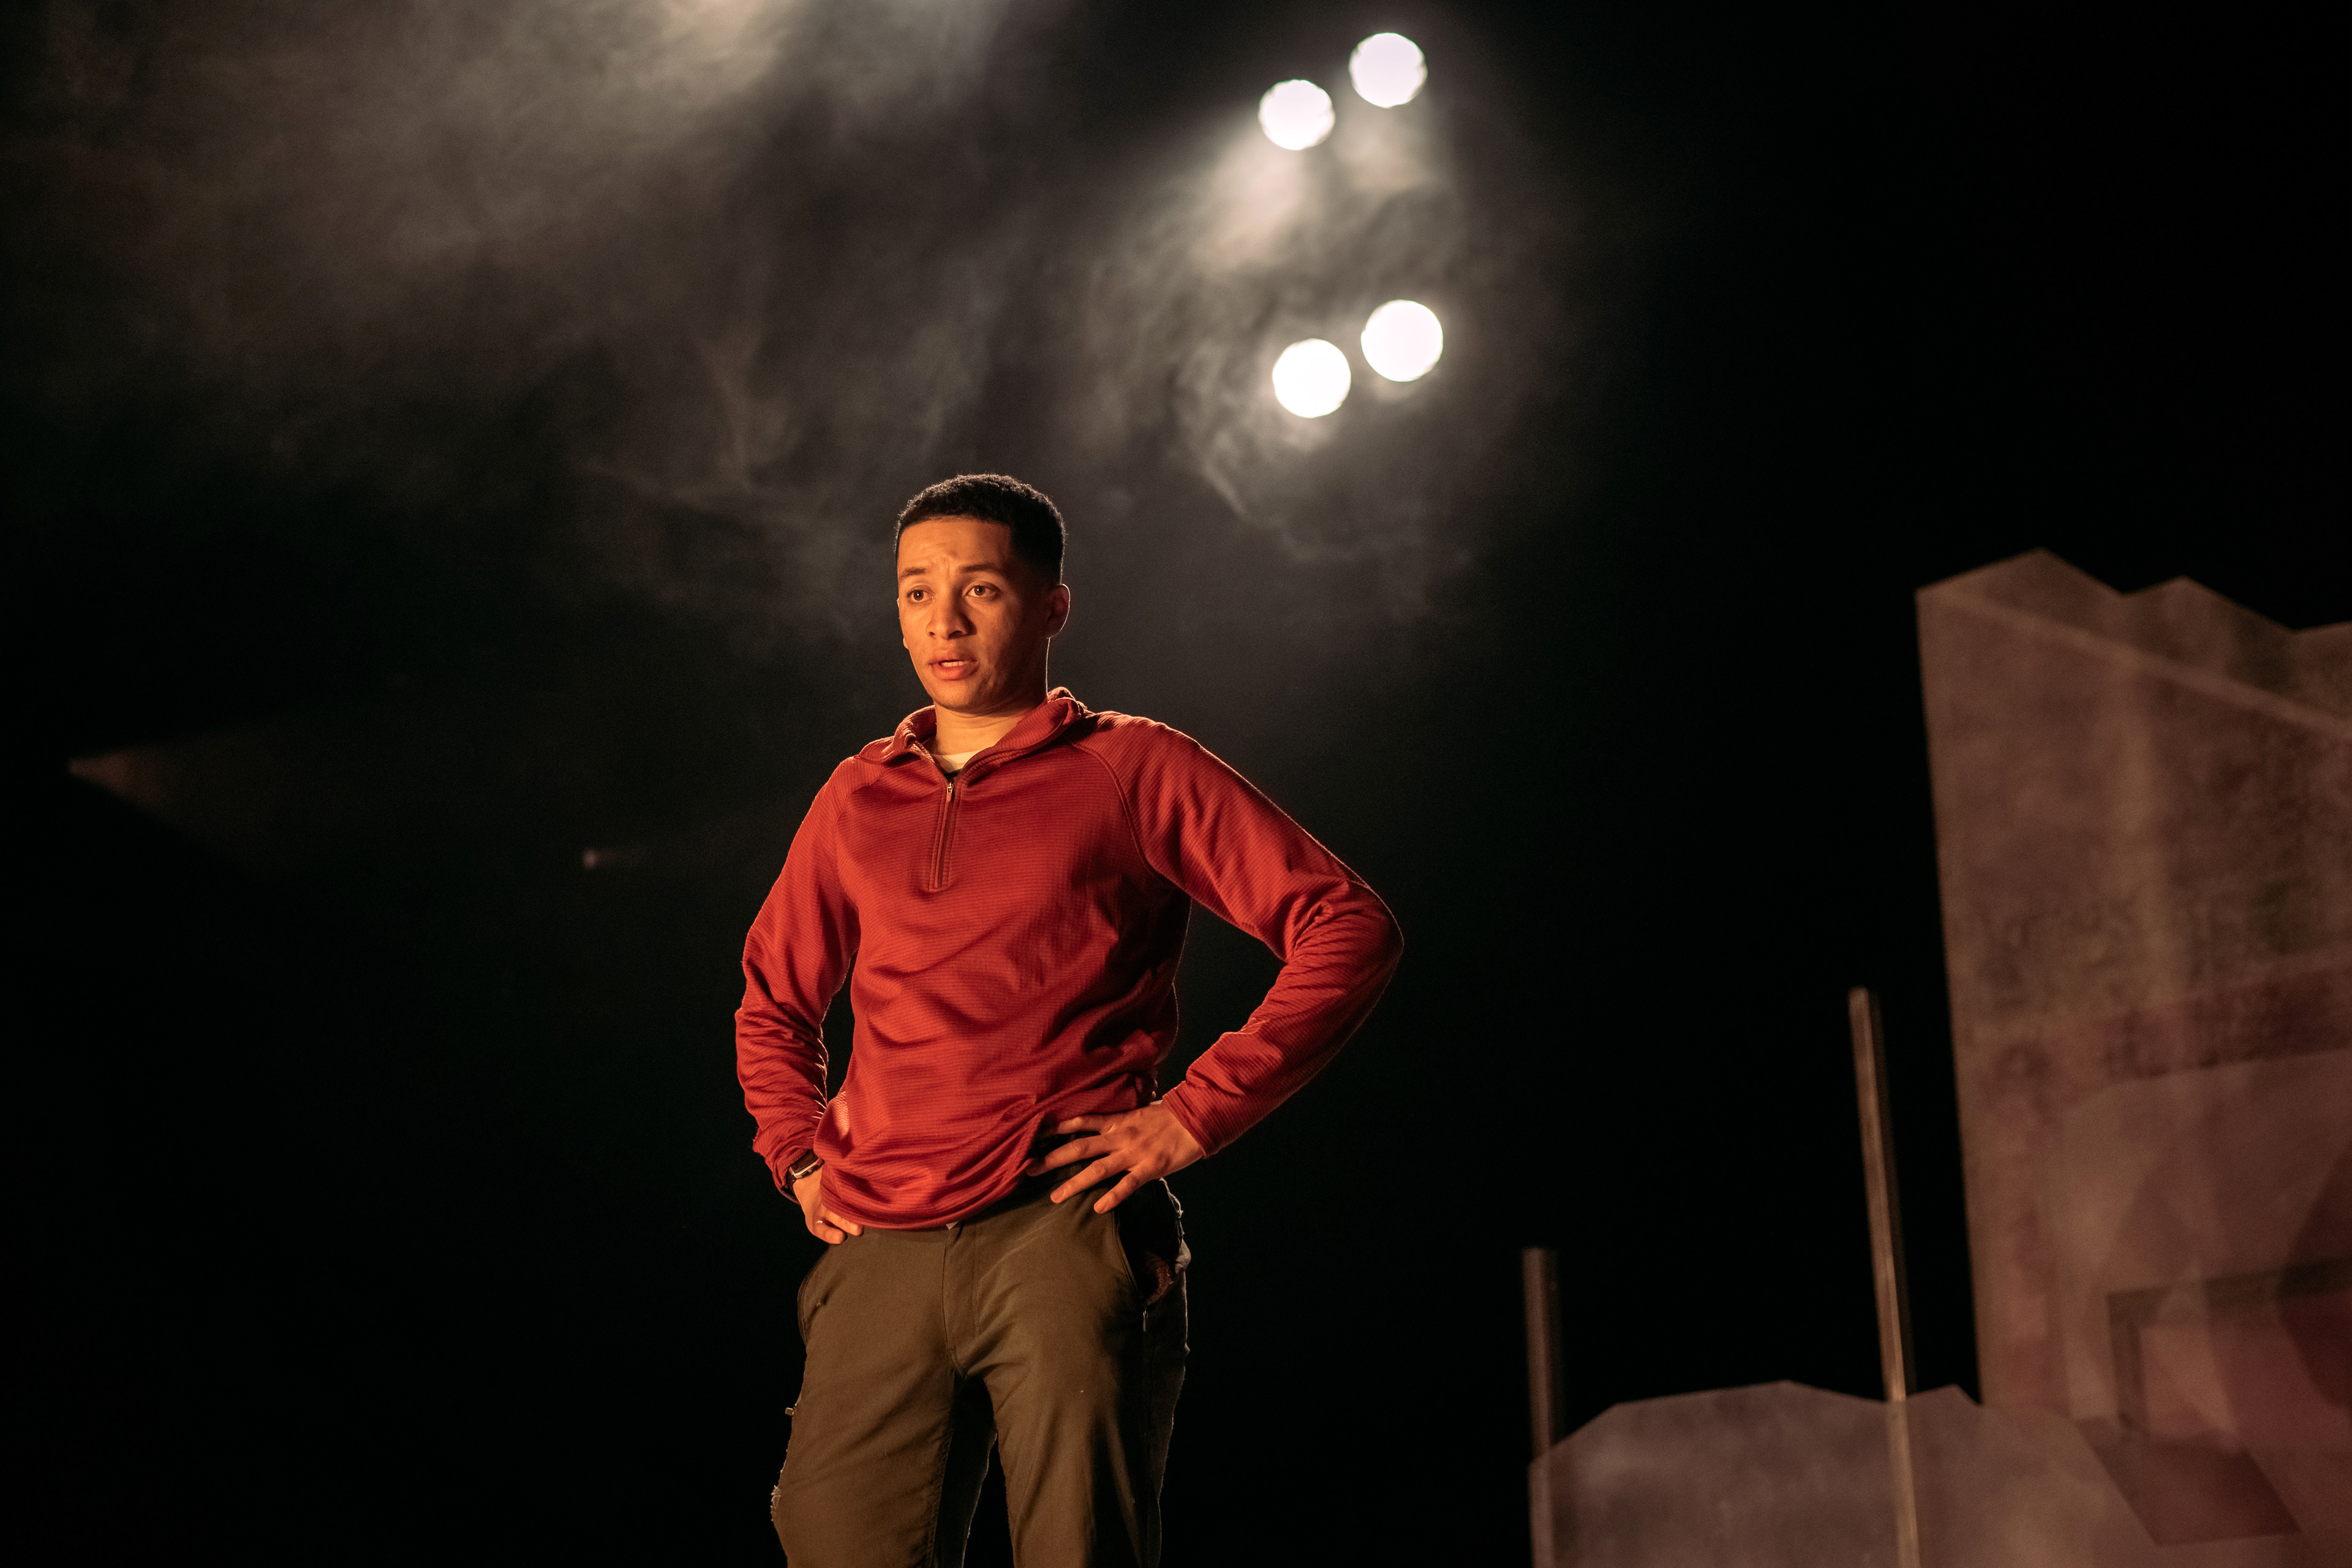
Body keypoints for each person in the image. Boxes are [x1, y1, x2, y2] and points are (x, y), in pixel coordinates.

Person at [736, 473, 1402, 1567]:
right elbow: (773, 997)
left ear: (1051, 606)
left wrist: (1195, 1115)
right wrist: (796, 1154)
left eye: (981, 589)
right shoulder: (859, 794)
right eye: (916, 592)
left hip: (1063, 1222)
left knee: (1078, 1550)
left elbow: (1345, 924)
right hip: (880, 1238)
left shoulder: (1133, 766)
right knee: (830, 1537)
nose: (944, 621)